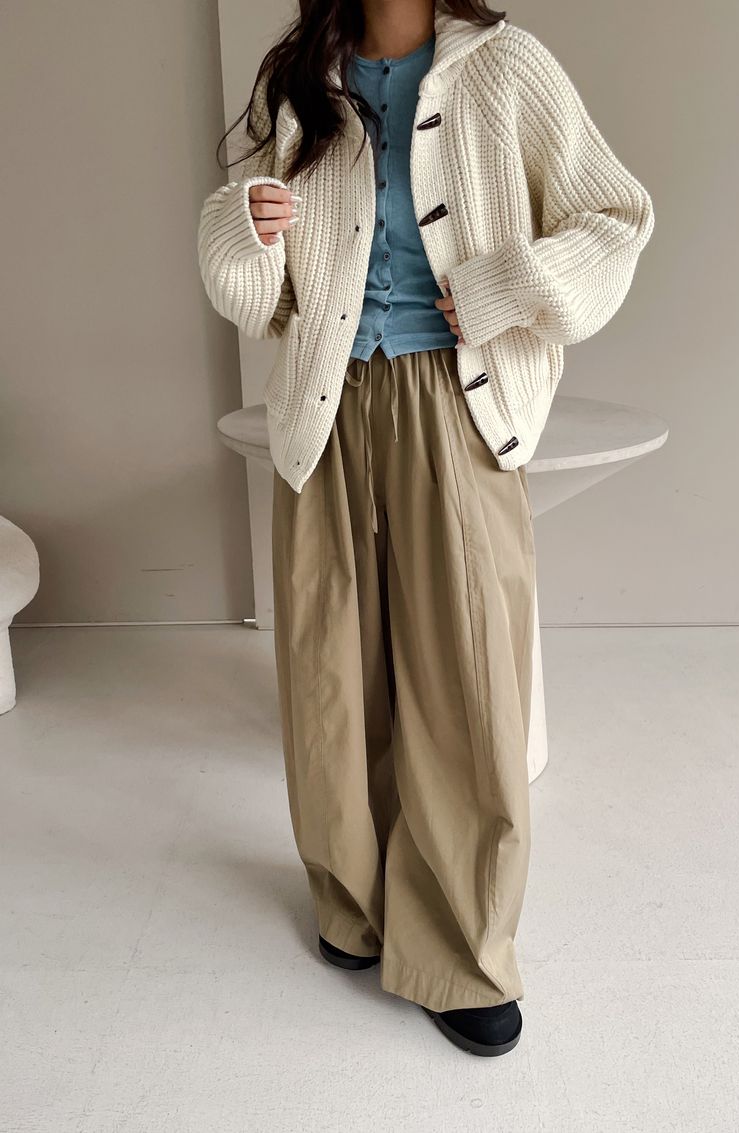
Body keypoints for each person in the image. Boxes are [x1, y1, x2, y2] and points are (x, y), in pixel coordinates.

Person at [197, 0, 654, 1056]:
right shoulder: (300, 80)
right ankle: (349, 897)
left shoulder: (508, 68)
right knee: (328, 670)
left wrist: (504, 285)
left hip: (452, 400)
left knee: (467, 677)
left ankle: (458, 945)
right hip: (324, 402)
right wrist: (243, 225)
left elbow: (614, 216)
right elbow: (255, 285)